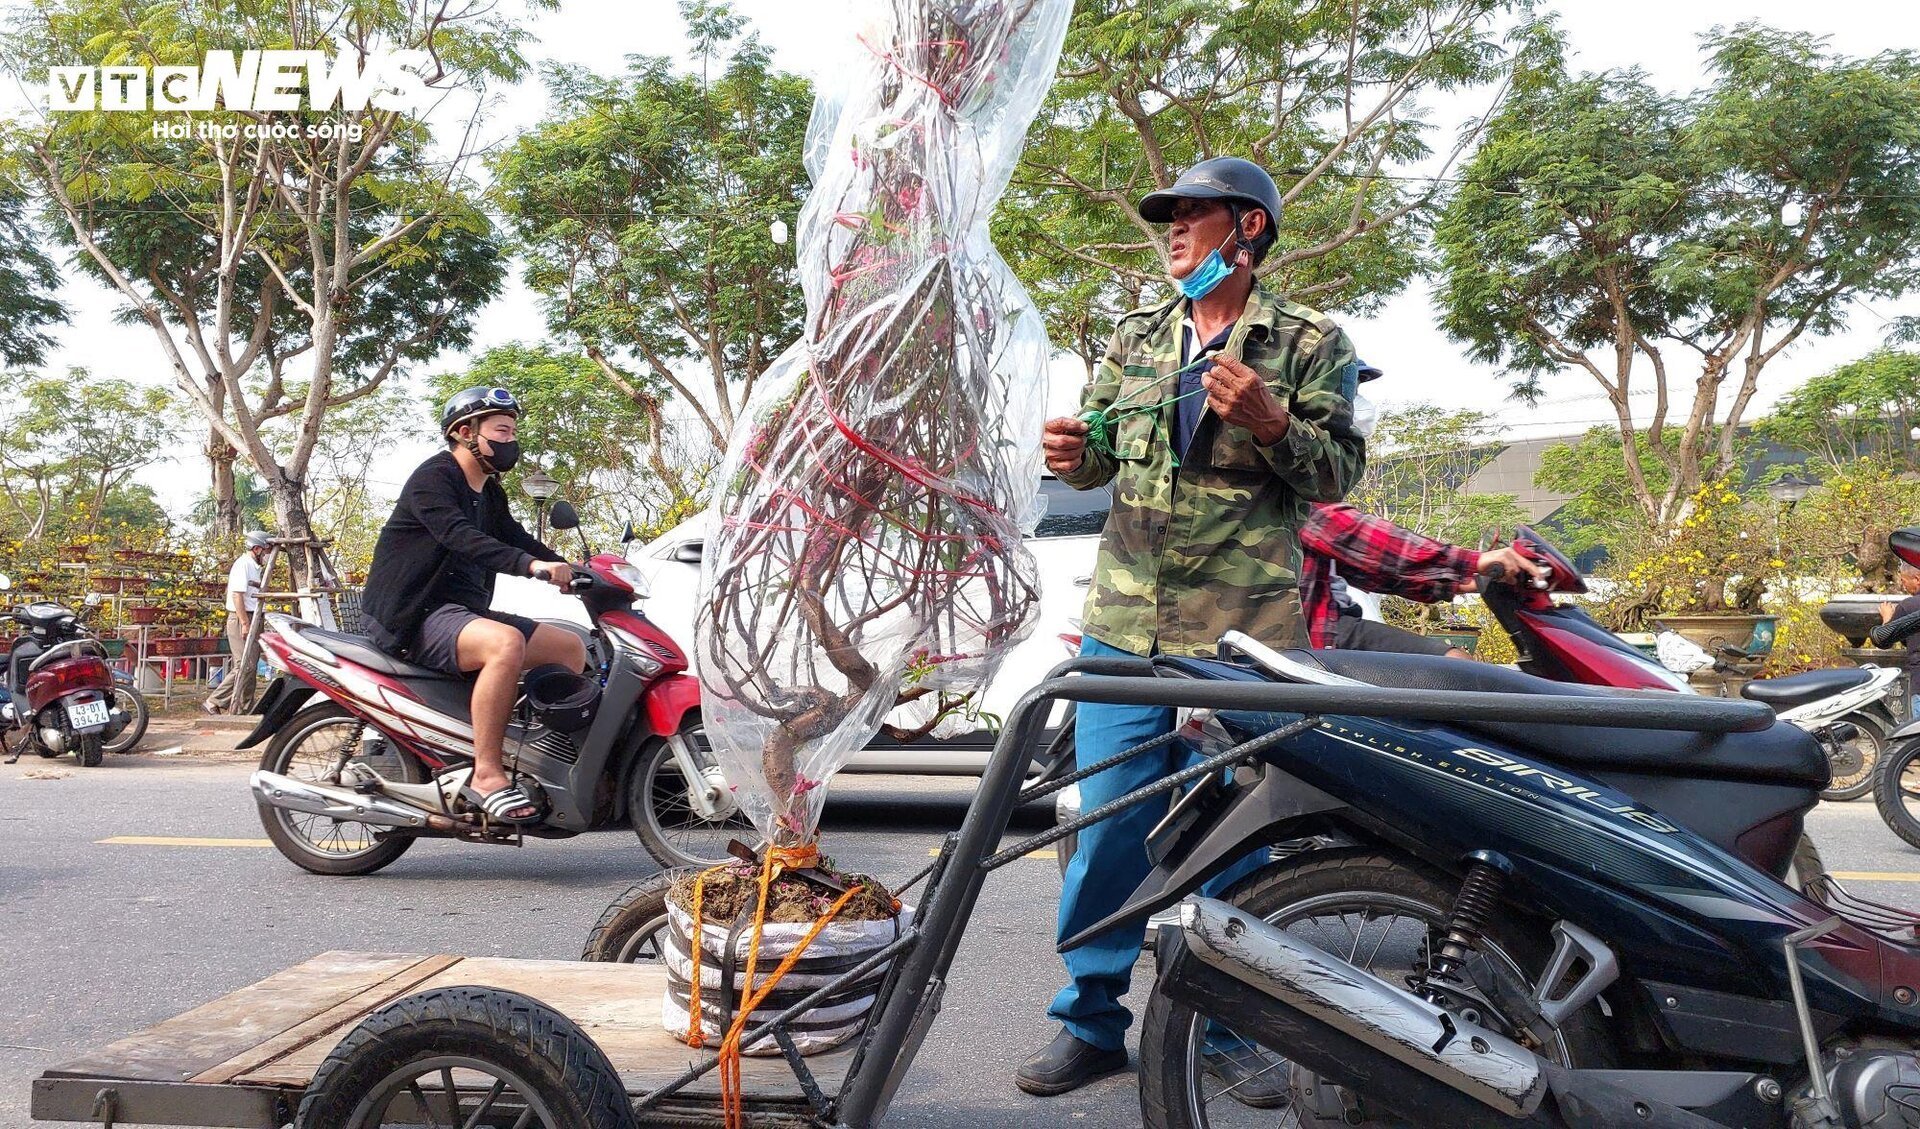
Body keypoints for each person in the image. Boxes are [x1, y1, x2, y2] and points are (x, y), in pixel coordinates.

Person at [1027, 156, 1365, 1103]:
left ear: (1247, 229)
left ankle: (1226, 1029)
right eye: (1165, 218)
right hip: (1125, 623)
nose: (1172, 231)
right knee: (1107, 828)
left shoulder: (1307, 341)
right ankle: (1091, 1022)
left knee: (1237, 837)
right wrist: (1074, 452)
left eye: (1193, 215)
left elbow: (1336, 475)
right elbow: (1100, 461)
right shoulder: (1138, 335)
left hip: (1242, 634)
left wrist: (1270, 423)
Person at [361, 387, 585, 824]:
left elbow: (514, 537)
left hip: (462, 613)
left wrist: (572, 568)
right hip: (417, 614)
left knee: (569, 649)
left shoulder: (490, 493)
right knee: (504, 645)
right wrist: (533, 566)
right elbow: (460, 536)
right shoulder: (434, 478)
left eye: (513, 432)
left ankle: (533, 752)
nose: (510, 442)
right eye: (501, 431)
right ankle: (486, 774)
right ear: (465, 433)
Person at [204, 530, 272, 714]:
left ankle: (244, 708)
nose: (267, 556)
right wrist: (244, 623)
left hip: (255, 616)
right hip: (242, 617)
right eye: (266, 551)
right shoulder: (243, 564)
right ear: (257, 549)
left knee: (251, 664)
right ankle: (214, 700)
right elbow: (237, 595)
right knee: (244, 665)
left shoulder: (255, 567)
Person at [1878, 562, 1920, 718]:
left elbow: (1884, 640)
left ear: (1917, 579)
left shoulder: (1908, 607)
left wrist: (1887, 619)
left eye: (1903, 580)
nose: (1903, 586)